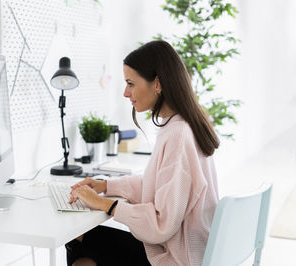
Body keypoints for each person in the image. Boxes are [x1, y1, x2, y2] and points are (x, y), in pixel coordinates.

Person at [66, 40, 220, 266]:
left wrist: (105, 204)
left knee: (79, 240)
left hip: (176, 259)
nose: (126, 93)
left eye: (130, 83)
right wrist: (107, 186)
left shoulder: (177, 135)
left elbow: (161, 225)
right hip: (188, 252)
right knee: (85, 245)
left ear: (157, 83)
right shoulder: (185, 124)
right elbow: (158, 185)